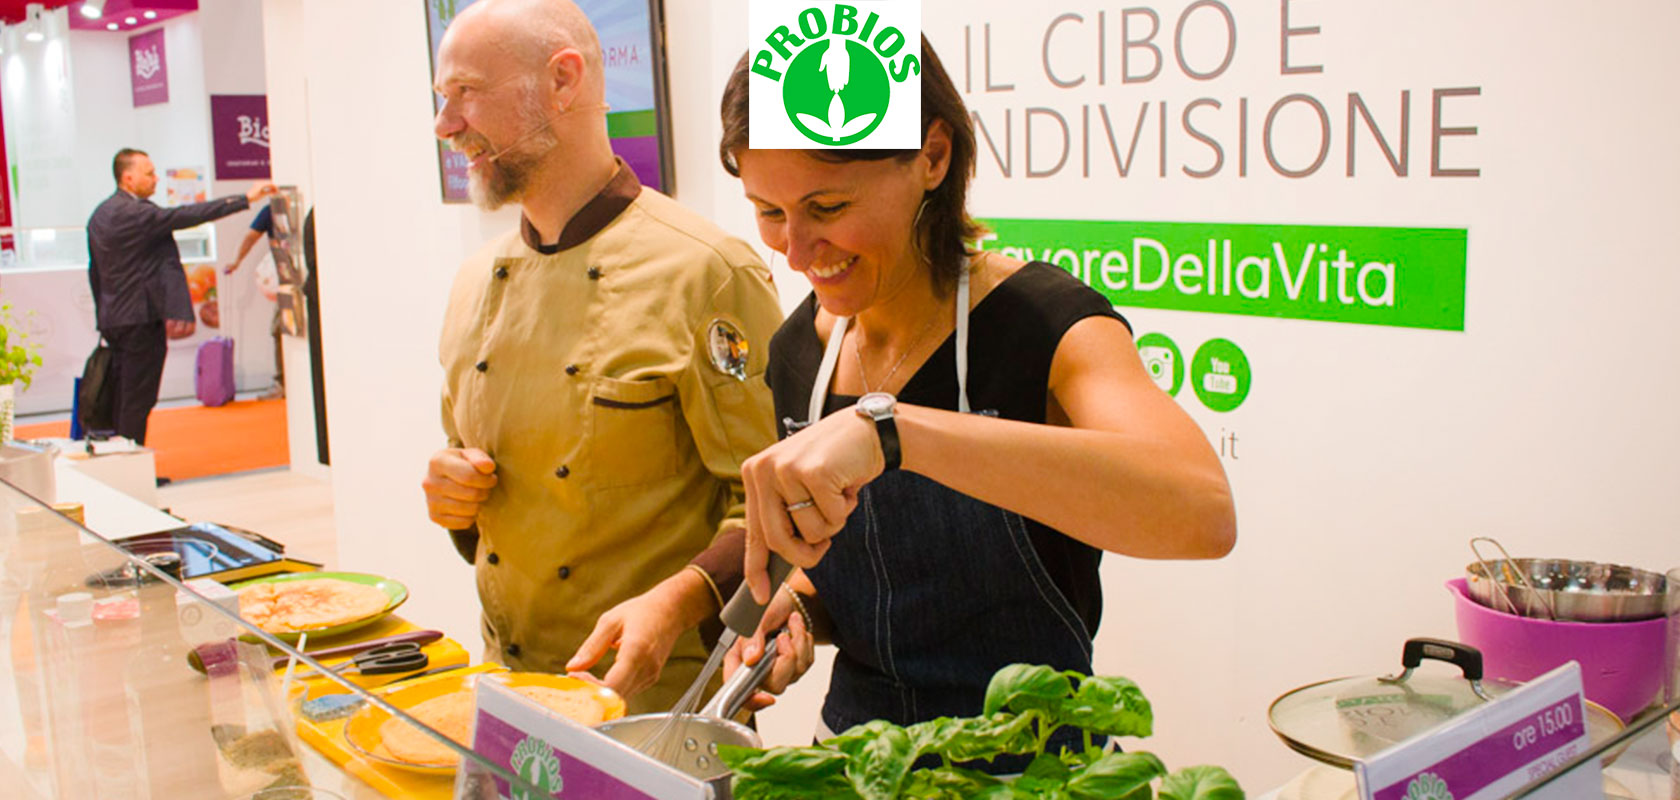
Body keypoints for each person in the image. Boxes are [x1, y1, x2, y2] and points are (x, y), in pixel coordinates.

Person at [609, 41, 1238, 769]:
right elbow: (879, 574)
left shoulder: (1044, 324)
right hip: (860, 765)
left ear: (933, 156)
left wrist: (894, 431)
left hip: (1034, 770)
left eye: (828, 206)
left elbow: (1203, 511)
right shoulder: (799, 353)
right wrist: (803, 605)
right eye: (769, 211)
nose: (797, 251)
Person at [421, 0, 782, 715]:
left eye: (466, 92)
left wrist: (678, 603)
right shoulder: (472, 284)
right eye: (442, 98)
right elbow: (476, 487)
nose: (445, 124)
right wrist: (452, 498)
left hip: (660, 709)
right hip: (511, 694)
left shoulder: (707, 272)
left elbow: (775, 503)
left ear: (563, 81)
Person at [86, 148, 276, 445]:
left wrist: (104, 313)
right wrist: (245, 199)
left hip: (115, 319)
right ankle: (131, 457)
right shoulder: (137, 214)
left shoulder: (100, 214)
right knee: (138, 397)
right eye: (149, 173)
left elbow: (94, 271)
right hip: (140, 319)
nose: (156, 179)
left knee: (124, 393)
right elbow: (187, 215)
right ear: (128, 178)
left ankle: (121, 456)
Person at [223, 204, 286, 400]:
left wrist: (237, 261)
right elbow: (251, 237)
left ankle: (283, 383)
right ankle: (283, 382)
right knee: (279, 329)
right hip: (287, 278)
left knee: (279, 329)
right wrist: (237, 261)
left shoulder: (273, 208)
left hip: (288, 277)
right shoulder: (272, 210)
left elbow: (251, 237)